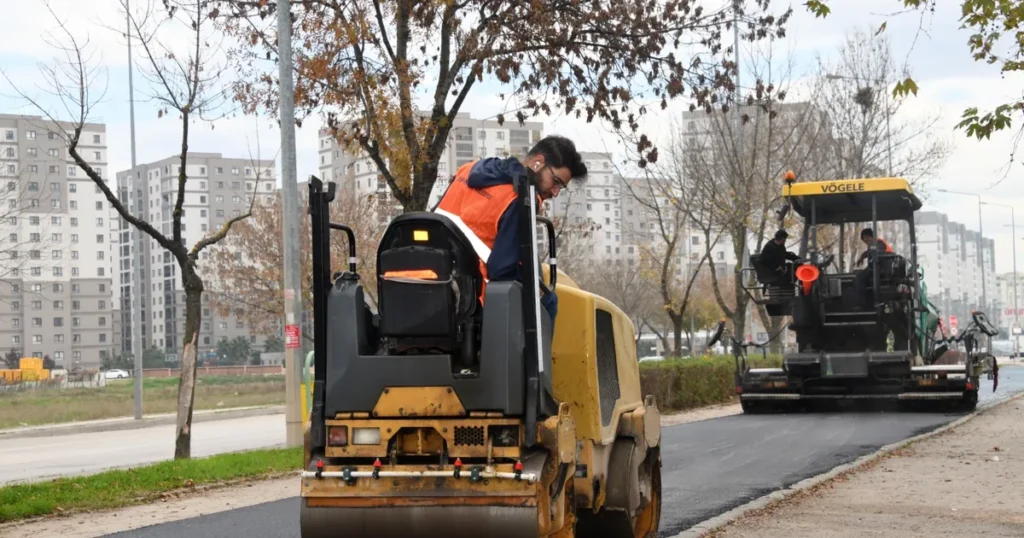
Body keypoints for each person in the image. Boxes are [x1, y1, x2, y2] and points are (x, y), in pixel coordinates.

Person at [433, 135, 588, 323]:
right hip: (468, 298)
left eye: (561, 188)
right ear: (538, 162)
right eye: (556, 181)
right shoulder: (520, 197)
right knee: (548, 300)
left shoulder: (467, 170)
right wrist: (532, 282)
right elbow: (501, 269)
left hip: (430, 276)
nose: (555, 192)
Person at [854, 227, 895, 308]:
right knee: (856, 273)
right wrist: (862, 256)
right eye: (863, 239)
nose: (865, 240)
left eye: (866, 237)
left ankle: (861, 303)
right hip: (876, 268)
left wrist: (866, 255)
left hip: (883, 270)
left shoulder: (879, 243)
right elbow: (869, 252)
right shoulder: (873, 245)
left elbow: (876, 252)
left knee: (859, 276)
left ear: (872, 236)